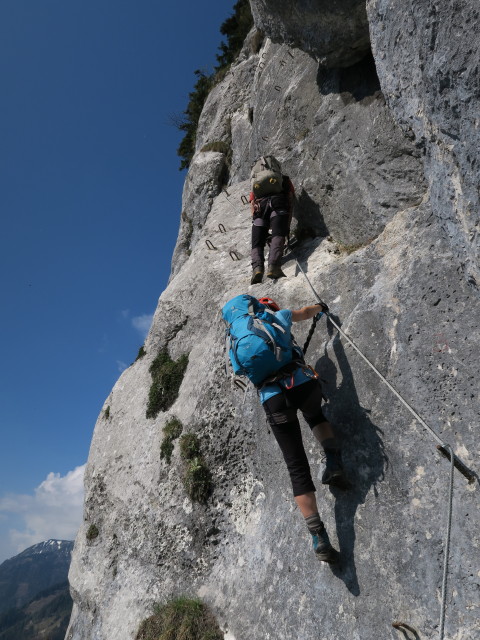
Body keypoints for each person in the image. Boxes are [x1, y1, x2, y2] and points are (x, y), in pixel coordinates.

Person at [255, 296, 350, 563]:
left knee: (296, 465)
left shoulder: (239, 340)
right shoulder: (279, 316)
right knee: (316, 414)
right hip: (301, 383)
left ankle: (319, 536)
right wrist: (321, 309)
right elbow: (306, 312)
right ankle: (333, 463)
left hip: (273, 398)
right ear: (270, 308)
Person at [249, 156, 295, 284]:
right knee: (278, 235)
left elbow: (252, 203)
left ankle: (257, 269)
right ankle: (273, 266)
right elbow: (290, 199)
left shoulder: (256, 182)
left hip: (260, 208)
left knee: (257, 243)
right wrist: (286, 226)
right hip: (278, 203)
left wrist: (256, 219)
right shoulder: (284, 179)